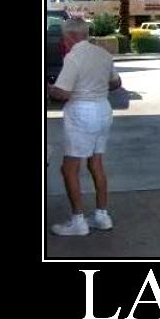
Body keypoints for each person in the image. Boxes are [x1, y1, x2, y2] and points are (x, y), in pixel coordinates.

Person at [47, 18, 122, 236]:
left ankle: (78, 222)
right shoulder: (103, 54)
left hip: (81, 113)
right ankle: (102, 216)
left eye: (63, 37)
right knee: (96, 163)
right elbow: (116, 83)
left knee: (69, 168)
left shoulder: (73, 57)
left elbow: (64, 93)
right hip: (103, 110)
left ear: (70, 36)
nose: (63, 41)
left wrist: (49, 88)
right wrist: (96, 85)